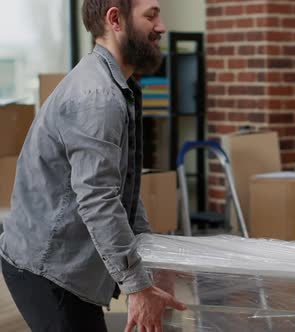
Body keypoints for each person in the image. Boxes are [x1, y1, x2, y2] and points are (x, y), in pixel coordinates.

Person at [0, 0, 187, 331]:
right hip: (48, 267)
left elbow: (120, 186)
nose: (161, 27)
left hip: (63, 261)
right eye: (151, 15)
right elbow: (99, 199)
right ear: (115, 19)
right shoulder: (98, 97)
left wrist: (151, 257)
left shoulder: (118, 86)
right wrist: (138, 286)